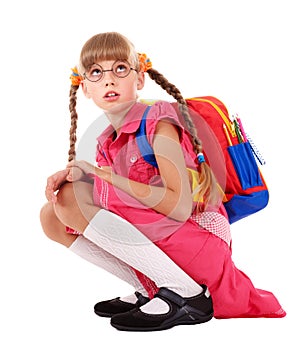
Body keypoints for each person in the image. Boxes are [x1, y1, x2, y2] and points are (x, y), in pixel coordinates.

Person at [40, 32, 286, 332]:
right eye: (95, 72)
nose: (108, 80)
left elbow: (180, 208)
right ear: (85, 88)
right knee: (52, 215)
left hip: (198, 240)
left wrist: (102, 176)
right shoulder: (107, 141)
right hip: (169, 243)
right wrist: (84, 175)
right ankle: (151, 285)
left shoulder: (158, 122)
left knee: (72, 197)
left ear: (140, 79)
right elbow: (113, 206)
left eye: (120, 69)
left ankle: (187, 294)